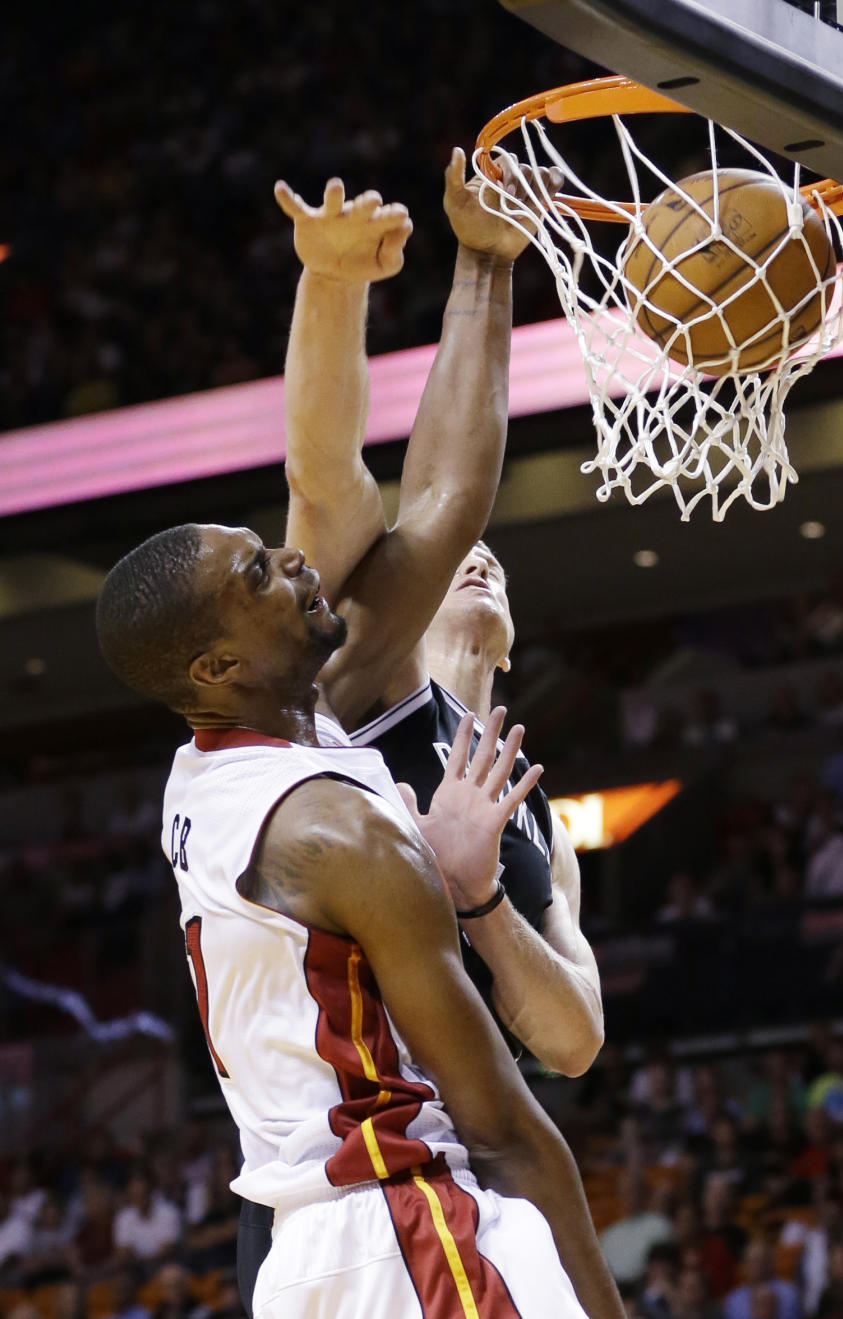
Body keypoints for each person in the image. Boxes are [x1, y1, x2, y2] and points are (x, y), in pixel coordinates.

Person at [96, 171, 624, 1319]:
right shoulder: (350, 723)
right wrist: (332, 286)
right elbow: (330, 479)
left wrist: (486, 264)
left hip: (359, 1202)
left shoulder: (288, 732)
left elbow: (447, 494)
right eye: (262, 568)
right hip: (397, 1201)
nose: (297, 564)